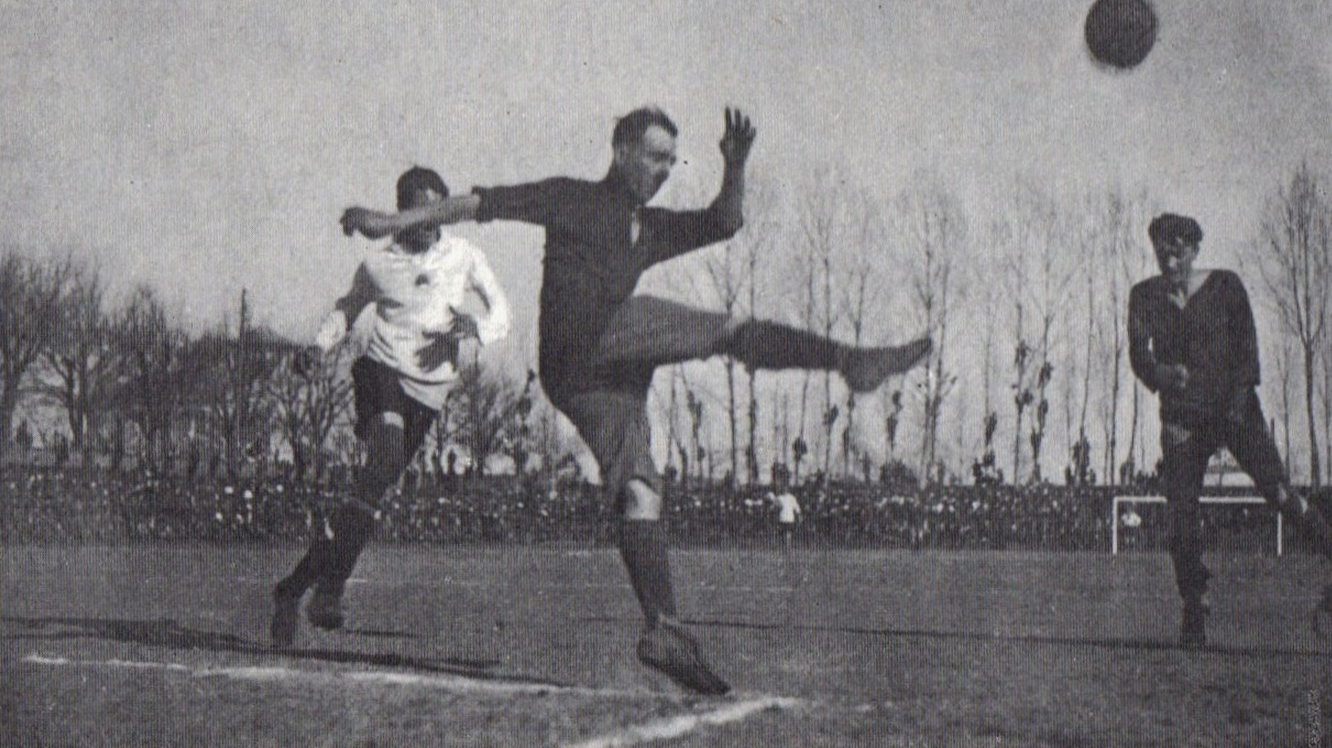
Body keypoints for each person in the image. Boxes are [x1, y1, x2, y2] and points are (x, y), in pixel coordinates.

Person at [340, 107, 931, 695]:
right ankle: (851, 362)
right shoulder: (571, 198)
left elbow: (724, 222)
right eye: (654, 157)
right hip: (582, 345)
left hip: (597, 382)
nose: (664, 170)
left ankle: (663, 629)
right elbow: (476, 204)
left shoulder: (649, 228)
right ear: (621, 151)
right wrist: (392, 220)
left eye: (671, 160)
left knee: (639, 489)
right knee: (721, 329)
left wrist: (735, 166)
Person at [270, 166, 511, 648]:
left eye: (439, 210)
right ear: (401, 213)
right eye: (421, 210)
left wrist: (477, 328)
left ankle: (295, 588)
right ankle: (329, 591)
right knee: (382, 462)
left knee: (369, 492)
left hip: (430, 393)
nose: (431, 220)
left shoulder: (464, 256)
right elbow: (347, 308)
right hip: (381, 373)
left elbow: (501, 311)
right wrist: (318, 347)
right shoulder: (379, 265)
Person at [1128, 212, 1332, 648]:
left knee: (1280, 493)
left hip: (1235, 412)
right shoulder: (1143, 297)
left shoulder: (1225, 287)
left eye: (1178, 251)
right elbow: (1140, 359)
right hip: (1183, 420)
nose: (1170, 260)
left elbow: (1248, 354)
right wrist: (1164, 375)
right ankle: (1194, 606)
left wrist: (1237, 409)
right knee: (1181, 516)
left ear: (1194, 250)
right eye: (1162, 252)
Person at [766, 473, 802, 585]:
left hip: (789, 521)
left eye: (785, 487)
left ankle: (788, 558)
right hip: (781, 521)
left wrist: (799, 517)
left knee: (787, 540)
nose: (784, 489)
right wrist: (772, 505)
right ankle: (784, 558)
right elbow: (773, 508)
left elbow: (797, 509)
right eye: (783, 487)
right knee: (782, 540)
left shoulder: (791, 498)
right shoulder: (779, 498)